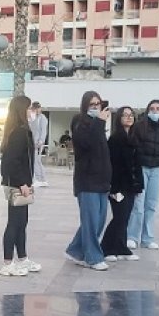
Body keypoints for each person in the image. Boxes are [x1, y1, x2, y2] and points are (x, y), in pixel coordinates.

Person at [64, 91, 112, 271]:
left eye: (98, 104)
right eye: (92, 104)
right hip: (87, 180)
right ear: (85, 106)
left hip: (102, 180)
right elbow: (87, 143)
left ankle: (76, 250)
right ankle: (93, 257)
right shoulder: (80, 122)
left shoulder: (99, 126)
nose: (96, 107)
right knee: (91, 221)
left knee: (98, 221)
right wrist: (99, 121)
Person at [0, 95, 40, 276]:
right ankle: (7, 262)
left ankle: (22, 258)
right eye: (30, 108)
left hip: (23, 183)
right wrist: (22, 183)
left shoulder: (22, 131)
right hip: (17, 185)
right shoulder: (18, 133)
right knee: (14, 223)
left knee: (22, 222)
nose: (32, 112)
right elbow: (11, 162)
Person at [127, 99, 159, 250]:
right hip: (142, 168)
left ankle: (148, 238)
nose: (155, 111)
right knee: (138, 205)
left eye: (158, 108)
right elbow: (134, 144)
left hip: (157, 169)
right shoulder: (140, 127)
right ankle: (132, 236)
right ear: (147, 111)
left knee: (151, 204)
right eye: (152, 108)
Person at [102, 106, 143, 261]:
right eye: (125, 115)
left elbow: (137, 163)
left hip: (131, 185)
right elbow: (114, 165)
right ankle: (106, 248)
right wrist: (114, 187)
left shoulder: (134, 137)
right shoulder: (115, 139)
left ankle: (121, 248)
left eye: (131, 115)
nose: (129, 118)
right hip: (119, 185)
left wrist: (139, 184)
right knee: (120, 217)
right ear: (119, 119)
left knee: (125, 218)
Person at [28, 100, 49, 187]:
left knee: (37, 161)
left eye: (38, 108)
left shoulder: (42, 118)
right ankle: (38, 178)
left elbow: (43, 131)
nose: (37, 110)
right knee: (35, 161)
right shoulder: (33, 117)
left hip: (38, 142)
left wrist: (41, 141)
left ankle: (41, 179)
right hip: (32, 142)